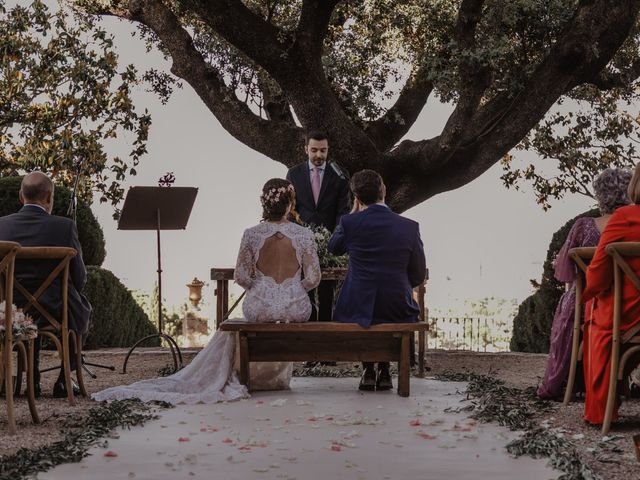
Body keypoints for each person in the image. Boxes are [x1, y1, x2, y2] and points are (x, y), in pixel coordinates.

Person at [93, 179, 321, 404]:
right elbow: (314, 278)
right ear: (290, 204)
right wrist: (292, 288)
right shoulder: (304, 235)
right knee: (283, 308)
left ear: (264, 203)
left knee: (237, 322)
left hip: (259, 308)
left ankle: (246, 376)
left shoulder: (251, 234)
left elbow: (241, 277)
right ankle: (272, 378)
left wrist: (263, 288)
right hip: (296, 309)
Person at [537, 168, 632, 400]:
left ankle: (568, 381)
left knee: (570, 301)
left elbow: (567, 274)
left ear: (601, 195)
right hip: (631, 304)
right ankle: (622, 381)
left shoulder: (584, 226)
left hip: (588, 304)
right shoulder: (634, 227)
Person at [328, 170, 426, 391]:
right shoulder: (410, 226)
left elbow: (334, 247)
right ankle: (383, 369)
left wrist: (353, 213)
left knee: (366, 311)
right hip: (397, 303)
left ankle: (369, 369)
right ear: (384, 191)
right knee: (386, 312)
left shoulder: (350, 223)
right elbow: (418, 273)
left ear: (358, 199)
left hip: (357, 303)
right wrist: (398, 287)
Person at [0, 172, 91, 398]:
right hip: (55, 310)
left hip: (10, 312)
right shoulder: (65, 227)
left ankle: (32, 379)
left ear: (21, 196)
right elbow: (79, 279)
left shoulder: (2, 226)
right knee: (82, 306)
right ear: (49, 198)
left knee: (27, 310)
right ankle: (64, 380)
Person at [580, 164, 640, 425]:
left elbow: (598, 273)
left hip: (628, 313)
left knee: (596, 318)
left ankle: (602, 411)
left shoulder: (624, 218)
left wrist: (592, 291)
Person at [286, 130, 350, 323]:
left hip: (329, 245)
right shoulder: (294, 173)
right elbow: (291, 209)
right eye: (314, 150)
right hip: (301, 243)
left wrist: (334, 240)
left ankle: (326, 336)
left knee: (327, 293)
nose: (319, 155)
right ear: (306, 149)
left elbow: (343, 211)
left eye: (323, 150)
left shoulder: (340, 175)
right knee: (304, 291)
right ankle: (308, 335)